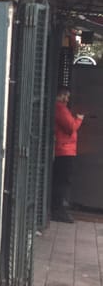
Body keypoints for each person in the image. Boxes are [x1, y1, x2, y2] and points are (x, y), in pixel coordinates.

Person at [52, 87, 84, 224]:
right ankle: (58, 210)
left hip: (64, 149)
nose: (66, 99)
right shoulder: (60, 109)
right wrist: (79, 119)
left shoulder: (60, 108)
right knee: (63, 181)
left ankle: (58, 208)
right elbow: (70, 127)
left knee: (62, 181)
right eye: (64, 95)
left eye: (67, 96)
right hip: (65, 150)